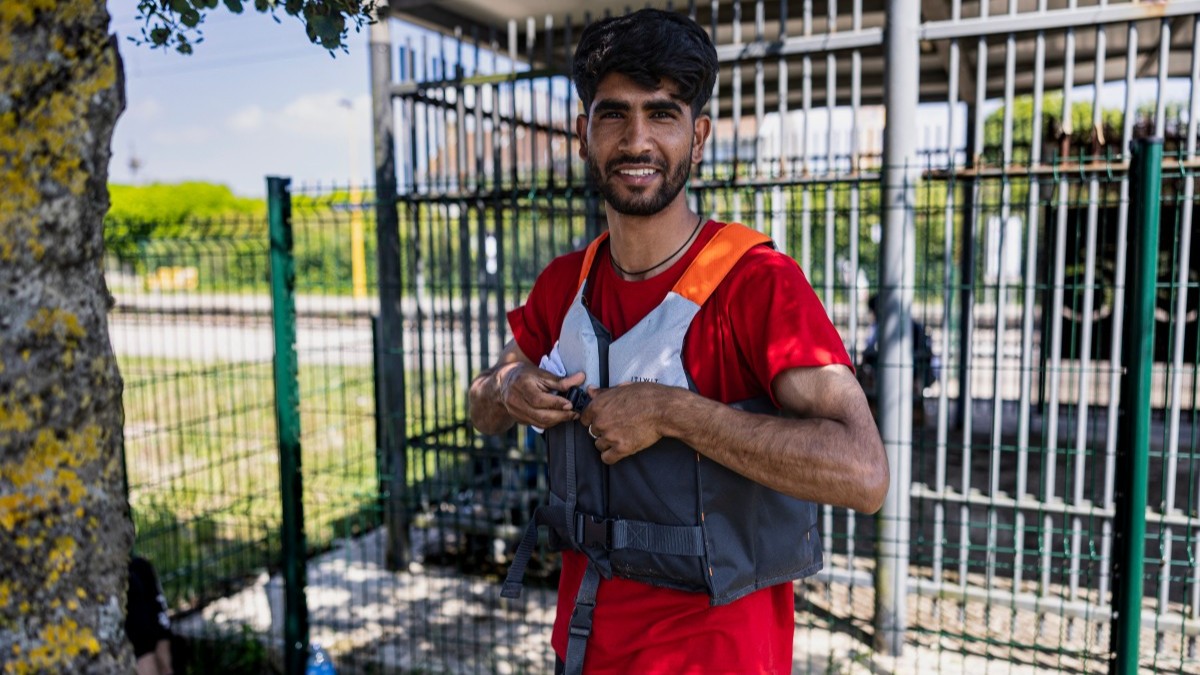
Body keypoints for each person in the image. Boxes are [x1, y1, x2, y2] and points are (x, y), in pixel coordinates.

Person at [468, 9, 888, 673]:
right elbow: (481, 406)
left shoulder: (757, 283)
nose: (636, 140)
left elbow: (864, 474)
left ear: (698, 138)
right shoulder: (563, 284)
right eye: (614, 114)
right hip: (582, 649)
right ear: (582, 134)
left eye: (661, 114)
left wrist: (674, 412)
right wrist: (509, 386)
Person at [126, 556, 173, 675]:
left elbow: (162, 625)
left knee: (163, 664)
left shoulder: (141, 566)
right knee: (145, 654)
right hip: (140, 645)